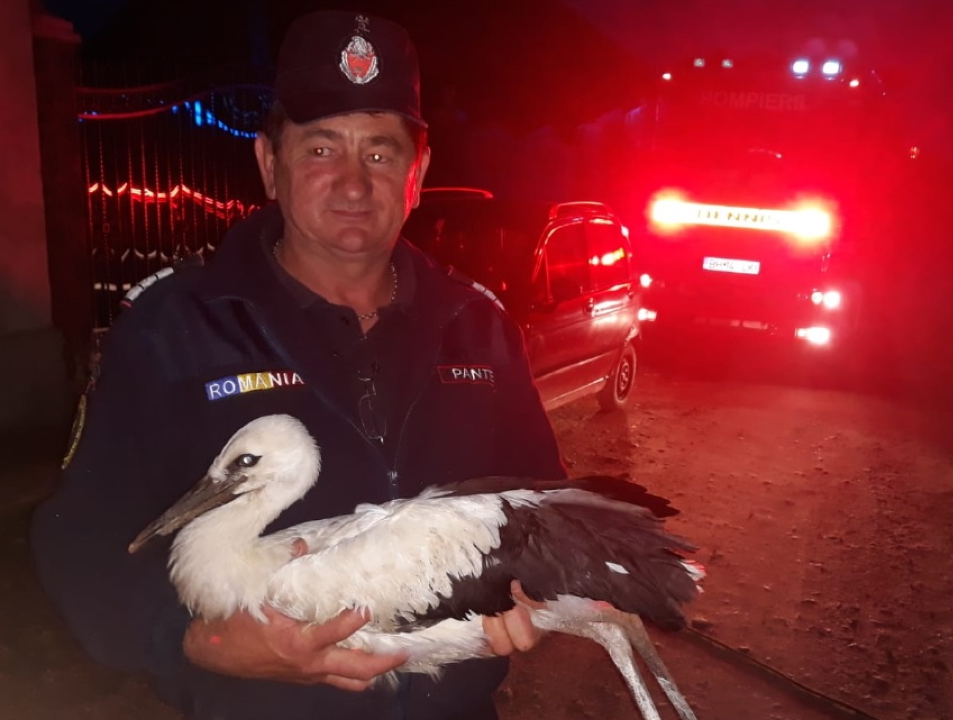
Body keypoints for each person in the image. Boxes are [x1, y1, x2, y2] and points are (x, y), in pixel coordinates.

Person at [30, 10, 566, 720]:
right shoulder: (173, 329)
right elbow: (79, 537)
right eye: (321, 150)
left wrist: (534, 582)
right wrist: (196, 638)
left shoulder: (481, 328)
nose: (353, 183)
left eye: (380, 151)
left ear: (418, 172)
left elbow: (540, 506)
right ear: (268, 164)